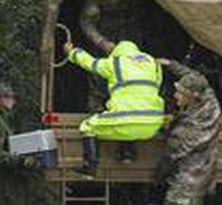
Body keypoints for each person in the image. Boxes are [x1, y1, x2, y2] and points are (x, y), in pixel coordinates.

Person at [62, 37, 166, 176]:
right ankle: (127, 154)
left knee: (89, 126)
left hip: (126, 120)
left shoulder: (115, 63)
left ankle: (90, 166)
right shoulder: (154, 64)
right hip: (153, 125)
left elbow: (90, 63)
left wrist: (72, 52)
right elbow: (156, 87)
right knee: (128, 122)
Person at [155, 59, 222, 205]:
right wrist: (169, 64)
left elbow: (172, 155)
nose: (176, 96)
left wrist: (158, 176)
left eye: (180, 93)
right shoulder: (210, 100)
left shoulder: (188, 127)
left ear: (192, 96)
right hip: (200, 177)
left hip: (186, 181)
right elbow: (196, 77)